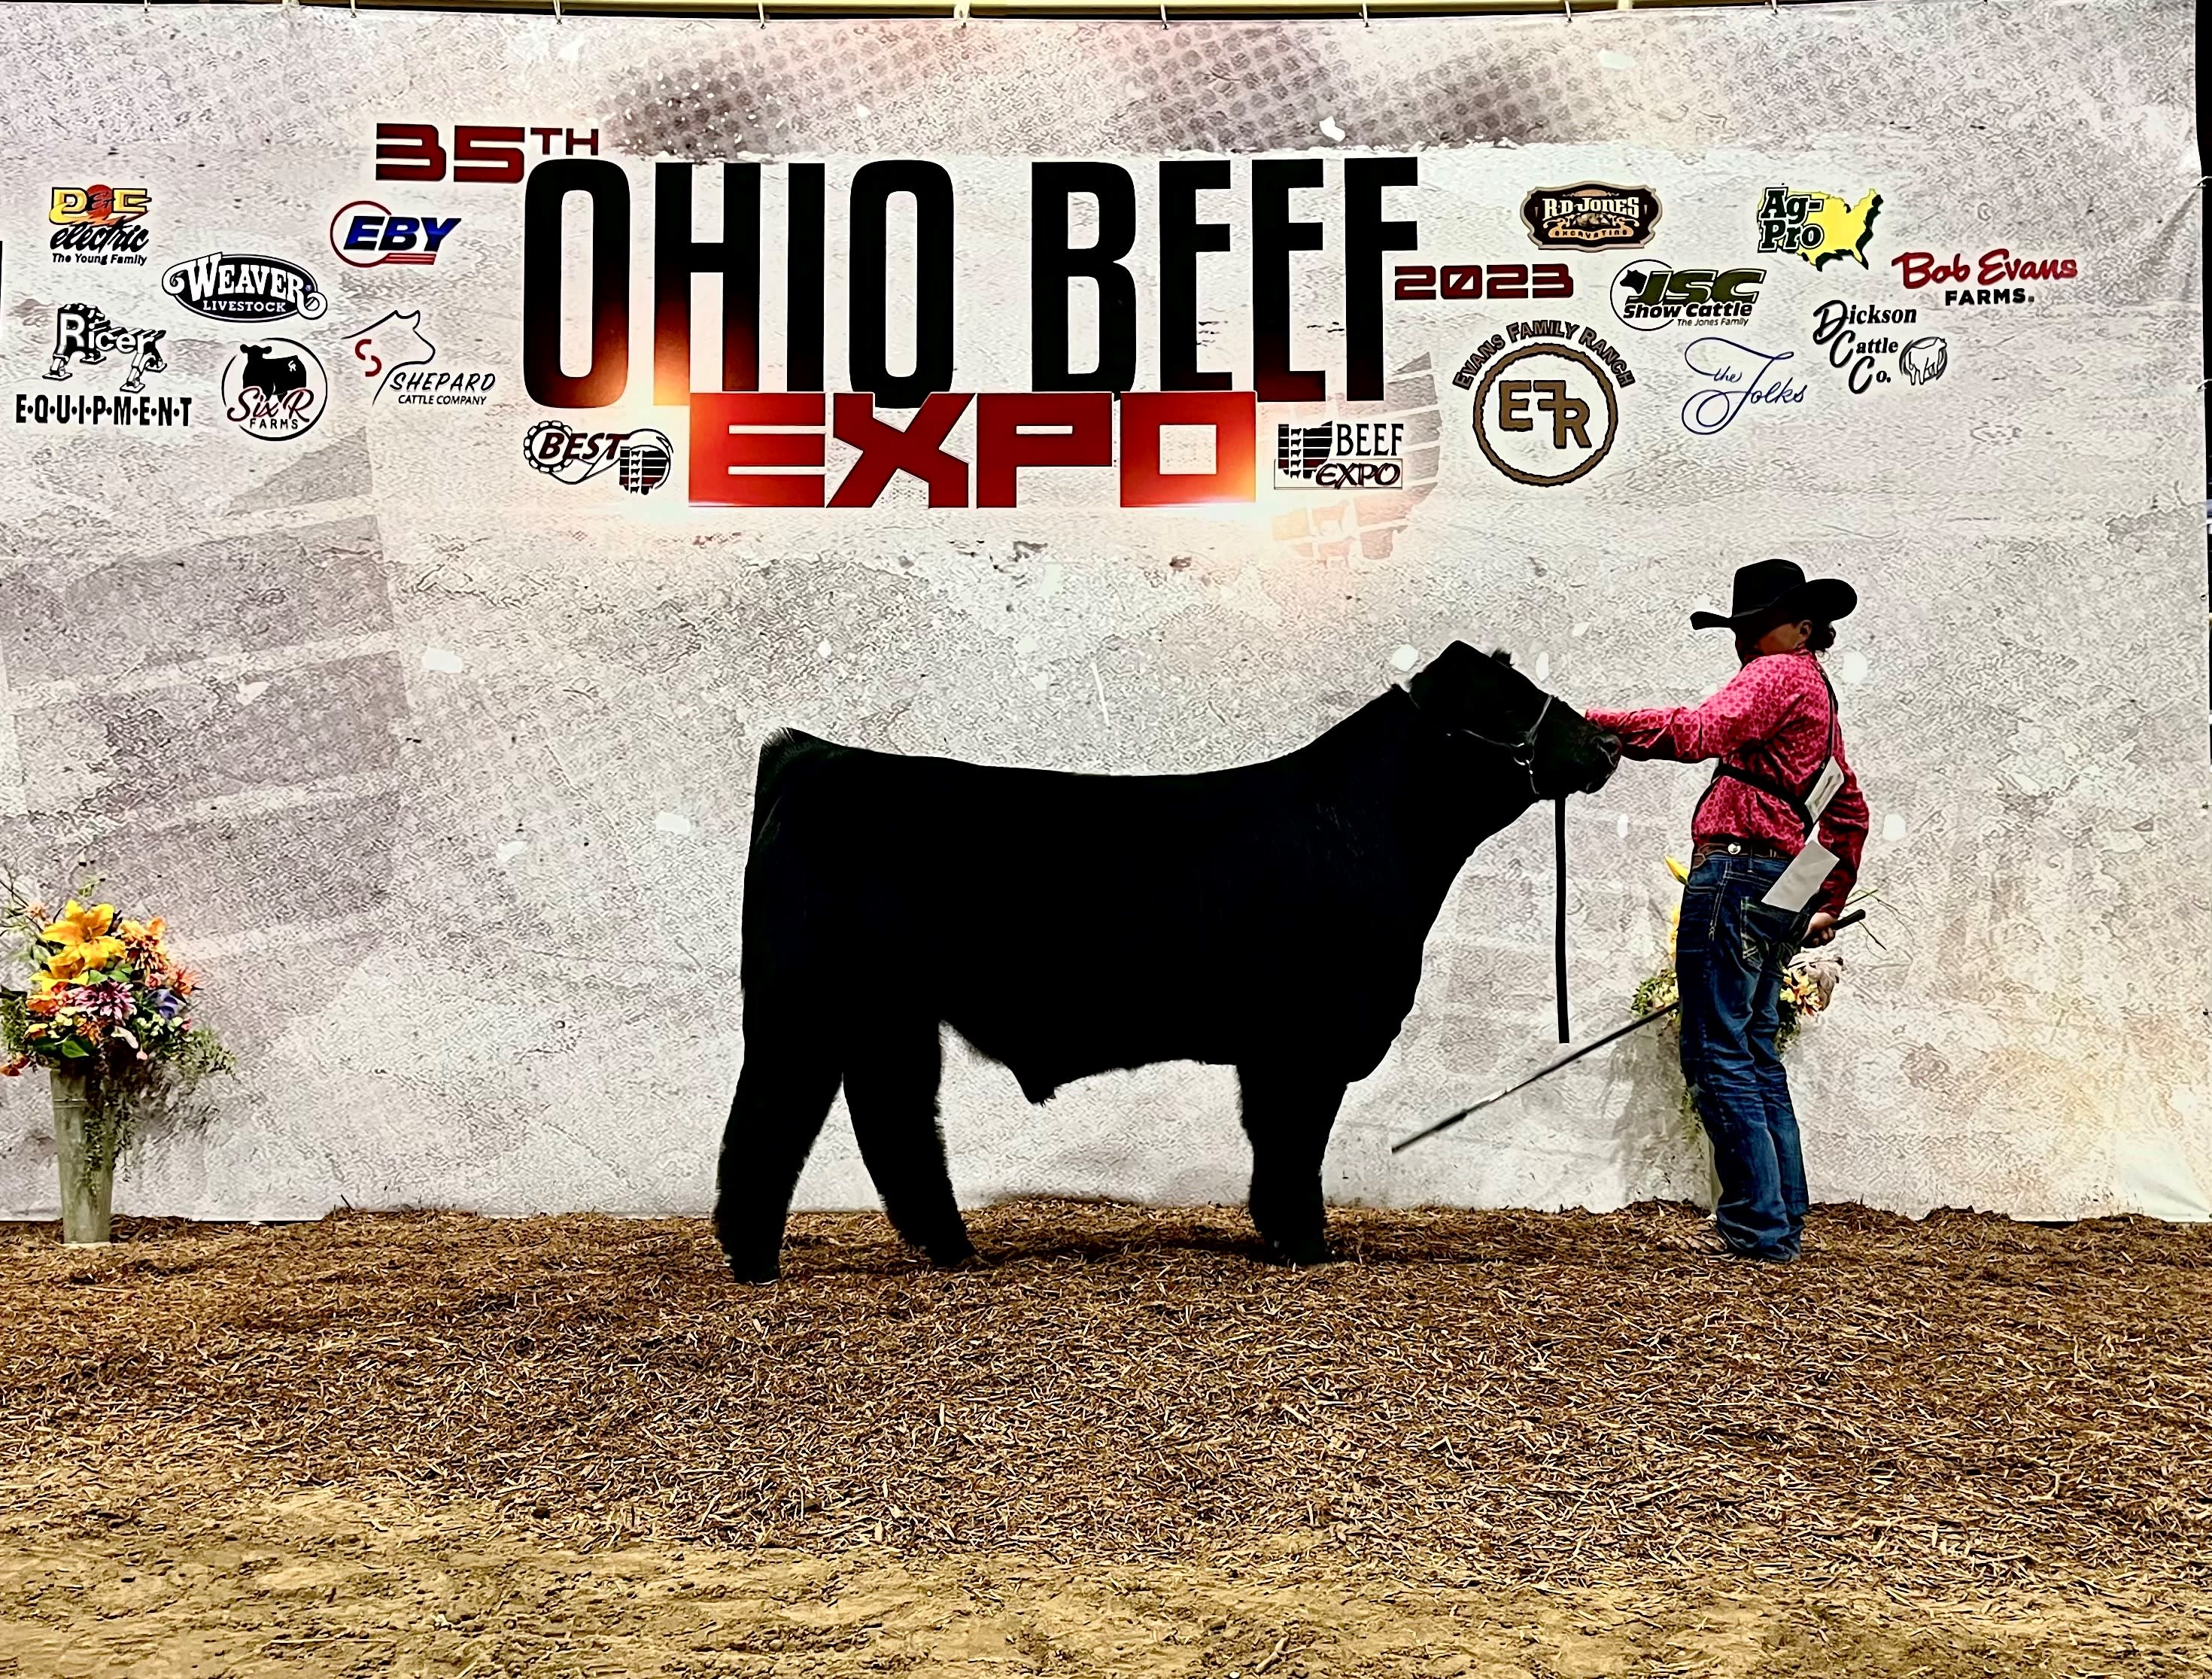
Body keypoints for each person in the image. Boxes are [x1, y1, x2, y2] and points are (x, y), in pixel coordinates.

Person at [1586, 558, 1870, 1263]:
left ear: (1804, 627)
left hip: (1734, 872)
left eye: (1757, 627)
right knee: (1753, 1051)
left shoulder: (1778, 676)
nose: (1745, 643)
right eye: (1739, 631)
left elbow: (1698, 731)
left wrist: (1595, 724)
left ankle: (1756, 1228)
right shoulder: (1820, 702)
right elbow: (1847, 813)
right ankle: (1781, 1217)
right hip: (1771, 884)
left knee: (1718, 1053)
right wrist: (1815, 902)